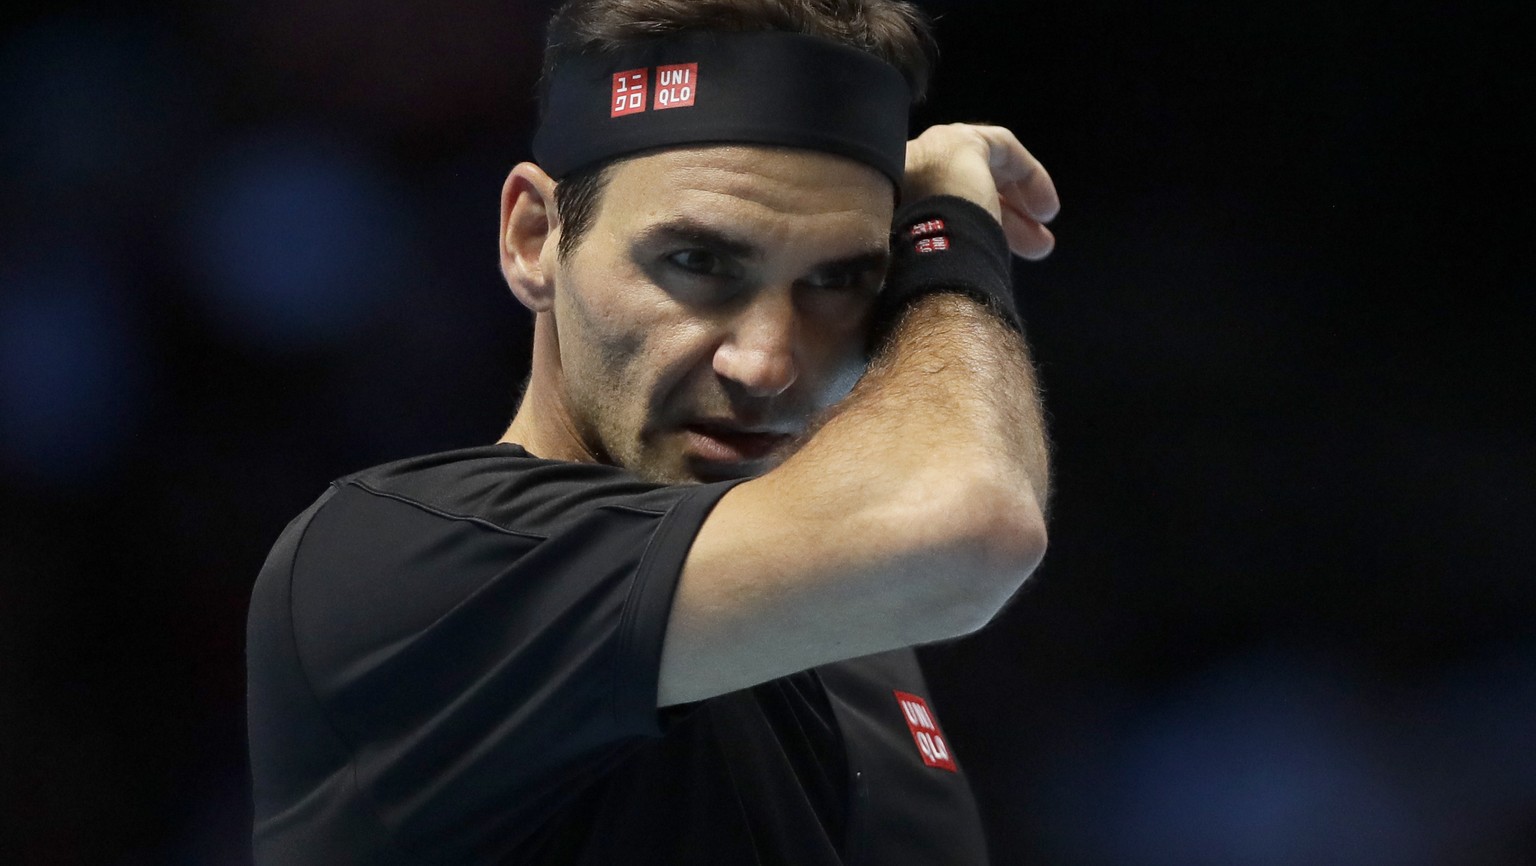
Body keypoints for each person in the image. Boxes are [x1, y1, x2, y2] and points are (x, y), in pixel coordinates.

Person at [246, 0, 1059, 862]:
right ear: (533, 238)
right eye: (699, 263)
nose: (767, 362)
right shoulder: (402, 562)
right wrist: (951, 237)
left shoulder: (861, 646)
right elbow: (975, 522)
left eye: (839, 281)